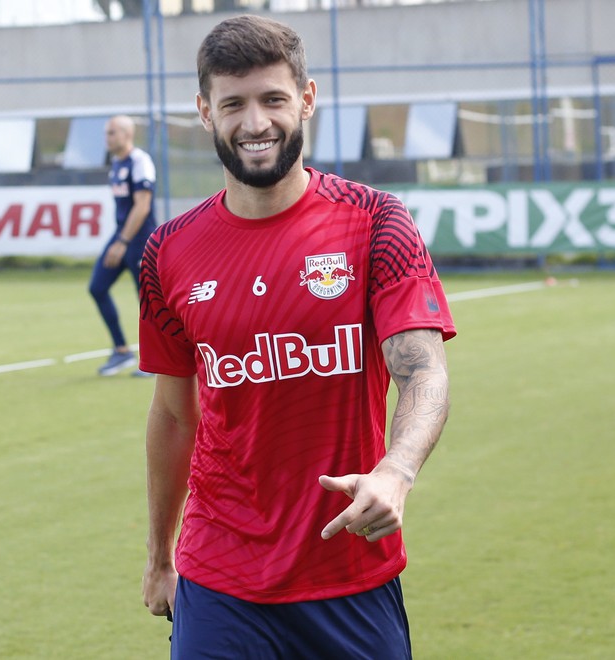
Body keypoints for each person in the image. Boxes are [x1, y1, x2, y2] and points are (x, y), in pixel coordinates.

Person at [138, 14, 456, 659]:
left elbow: (422, 373)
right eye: (233, 104)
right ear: (205, 112)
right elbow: (174, 417)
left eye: (273, 99)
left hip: (346, 566)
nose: (255, 123)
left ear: (306, 99)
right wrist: (159, 556)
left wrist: (396, 471)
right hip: (218, 575)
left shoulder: (375, 222)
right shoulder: (167, 252)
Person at [89, 115, 157, 376]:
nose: (107, 138)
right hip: (121, 236)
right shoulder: (116, 164)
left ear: (127, 134)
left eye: (112, 133)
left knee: (148, 302)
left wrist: (123, 241)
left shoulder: (140, 161)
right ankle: (121, 351)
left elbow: (143, 206)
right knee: (97, 287)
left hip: (140, 240)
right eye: (107, 133)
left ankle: (155, 362)